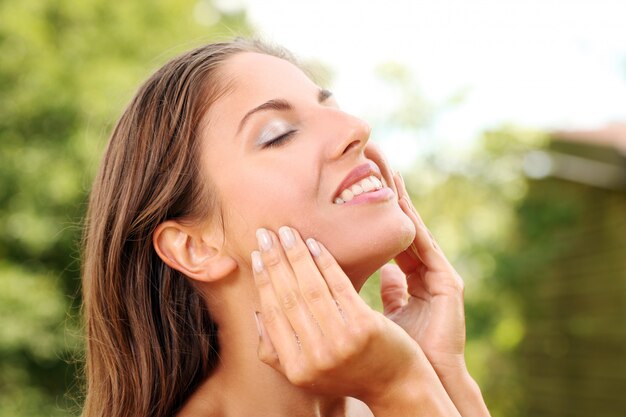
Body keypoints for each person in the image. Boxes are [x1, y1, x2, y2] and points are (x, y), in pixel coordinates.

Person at [81, 38, 490, 417]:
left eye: (331, 108)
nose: (356, 129)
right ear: (195, 247)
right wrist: (401, 387)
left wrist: (444, 376)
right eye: (279, 134)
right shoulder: (397, 391)